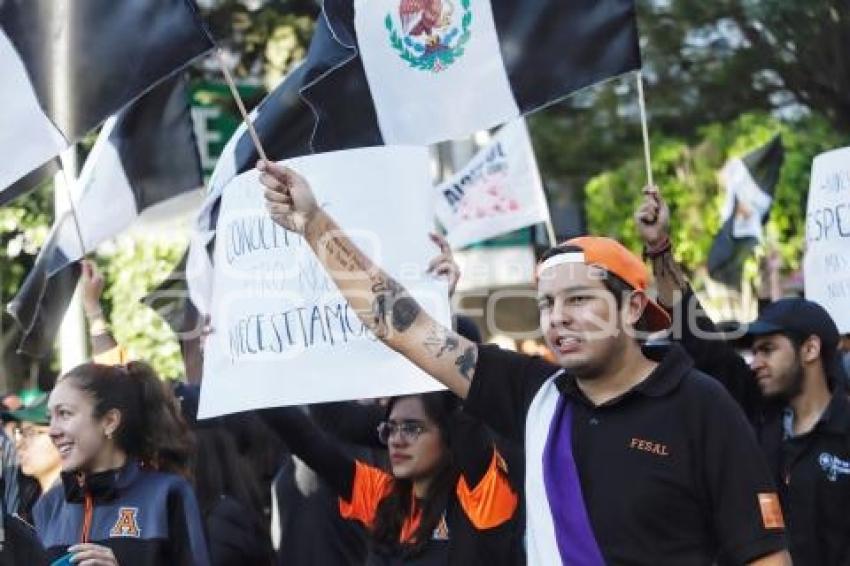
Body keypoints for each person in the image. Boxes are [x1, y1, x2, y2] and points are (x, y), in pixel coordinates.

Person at [260, 161, 790, 565]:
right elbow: (403, 325)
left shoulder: (699, 404)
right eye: (547, 305)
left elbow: (763, 553)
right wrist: (313, 224)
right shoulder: (534, 395)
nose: (558, 319)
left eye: (579, 300)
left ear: (632, 308)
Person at [636, 186, 850, 565]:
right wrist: (658, 248)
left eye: (768, 349)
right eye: (754, 351)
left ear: (810, 350)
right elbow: (695, 334)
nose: (755, 361)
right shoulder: (755, 411)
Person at [260, 392, 521, 565]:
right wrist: (246, 380)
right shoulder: (383, 497)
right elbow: (306, 440)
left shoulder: (482, 498)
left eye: (411, 428)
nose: (397, 440)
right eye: (391, 428)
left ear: (448, 434)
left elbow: (473, 423)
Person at [34, 362, 210, 565]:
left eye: (65, 414)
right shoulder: (49, 505)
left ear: (109, 421)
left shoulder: (167, 494)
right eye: (50, 418)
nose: (53, 431)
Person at [3, 392, 60, 524]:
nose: (19, 444)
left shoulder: (84, 508)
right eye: (21, 432)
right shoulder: (29, 498)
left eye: (31, 432)